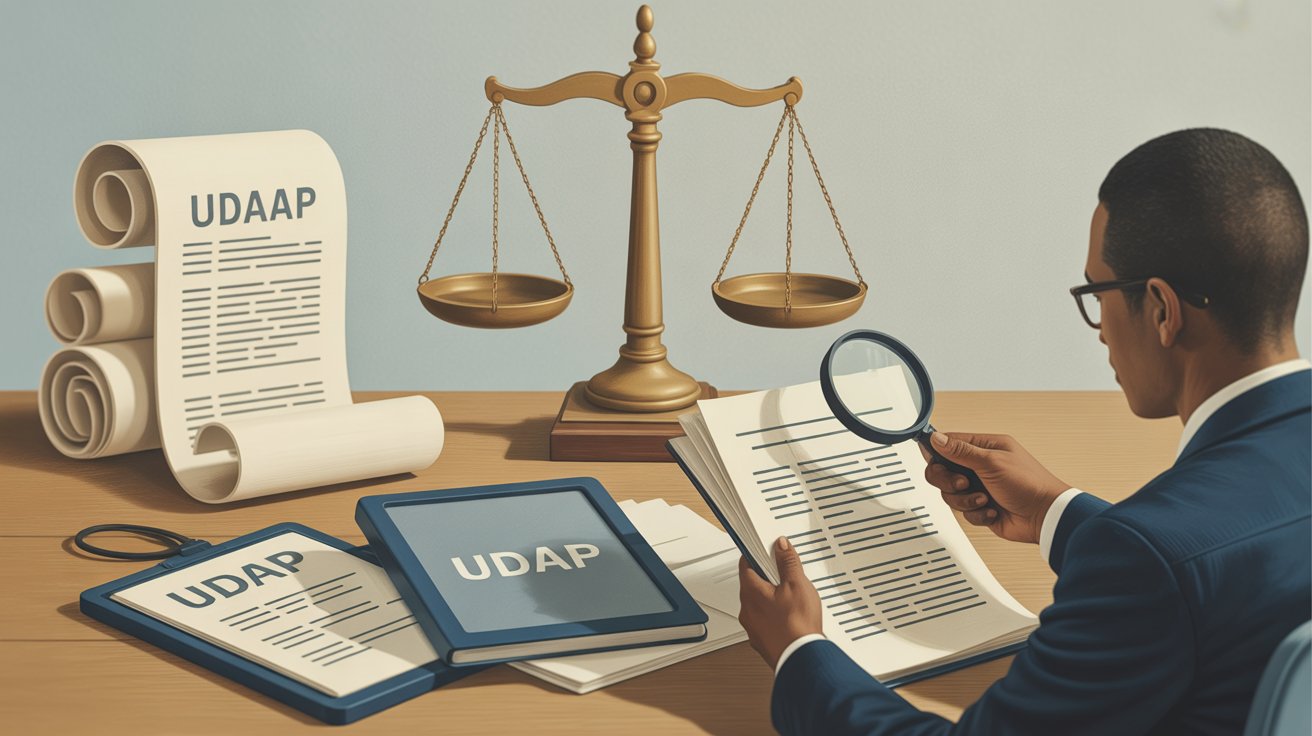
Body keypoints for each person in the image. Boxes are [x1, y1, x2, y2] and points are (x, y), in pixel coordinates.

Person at [737, 128, 1311, 735]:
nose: (1100, 330)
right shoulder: (1153, 556)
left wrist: (799, 653)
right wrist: (1056, 510)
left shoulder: (1145, 562)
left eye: (1098, 292)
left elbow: (1166, 570)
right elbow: (1232, 554)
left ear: (1164, 312)